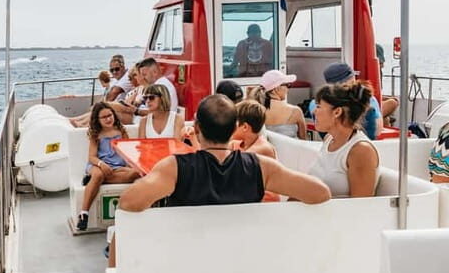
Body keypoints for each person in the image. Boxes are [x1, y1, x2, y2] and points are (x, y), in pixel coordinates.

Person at [118, 94, 330, 211]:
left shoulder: (174, 167)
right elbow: (320, 192)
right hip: (242, 255)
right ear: (234, 127)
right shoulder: (261, 166)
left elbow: (128, 202)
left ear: (197, 127)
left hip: (189, 255)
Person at [309, 81, 380, 198]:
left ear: (337, 112)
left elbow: (361, 204)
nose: (314, 112)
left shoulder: (361, 151)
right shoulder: (329, 139)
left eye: (318, 106)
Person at [77, 102, 140, 231]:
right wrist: (101, 164)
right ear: (98, 120)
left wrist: (130, 167)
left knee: (135, 173)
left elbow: (126, 152)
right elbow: (92, 157)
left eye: (109, 115)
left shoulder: (121, 131)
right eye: (104, 117)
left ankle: (95, 181)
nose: (108, 119)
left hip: (116, 167)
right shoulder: (96, 134)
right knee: (98, 174)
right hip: (98, 165)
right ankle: (84, 214)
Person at [308, 62, 383, 140]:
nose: (315, 112)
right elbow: (378, 129)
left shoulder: (314, 104)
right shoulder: (368, 100)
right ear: (351, 80)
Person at [249, 70, 306, 139]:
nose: (288, 89)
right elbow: (303, 139)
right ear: (277, 88)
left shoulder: (255, 111)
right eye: (288, 85)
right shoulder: (295, 111)